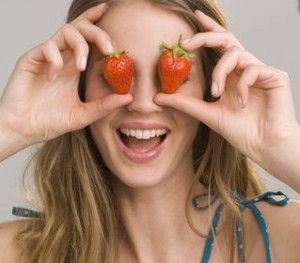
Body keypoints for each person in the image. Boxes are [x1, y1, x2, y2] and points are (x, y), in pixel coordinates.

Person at [0, 0, 300, 262]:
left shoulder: (284, 238)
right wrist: (8, 127)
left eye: (174, 75)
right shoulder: (15, 253)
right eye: (112, 73)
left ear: (212, 88)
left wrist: (286, 146)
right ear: (79, 86)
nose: (143, 104)